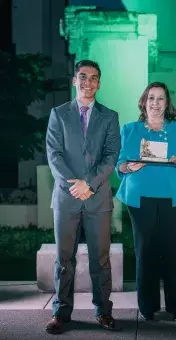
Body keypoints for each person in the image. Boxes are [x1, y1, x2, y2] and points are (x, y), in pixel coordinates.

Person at [115, 82, 176, 323]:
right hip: (140, 198)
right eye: (151, 98)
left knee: (175, 252)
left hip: (174, 198)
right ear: (144, 102)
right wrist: (127, 166)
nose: (155, 103)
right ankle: (147, 307)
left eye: (160, 98)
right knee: (145, 252)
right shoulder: (130, 129)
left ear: (167, 103)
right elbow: (120, 163)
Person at [45, 60, 121, 334]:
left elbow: (111, 156)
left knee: (100, 259)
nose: (88, 82)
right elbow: (54, 155)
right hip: (66, 199)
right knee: (64, 259)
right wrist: (74, 185)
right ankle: (61, 313)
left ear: (99, 83)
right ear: (75, 80)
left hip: (97, 198)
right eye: (83, 76)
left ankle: (103, 311)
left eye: (94, 78)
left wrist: (88, 184)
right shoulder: (58, 114)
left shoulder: (110, 116)